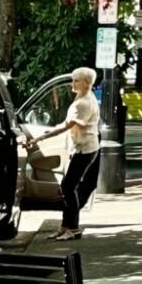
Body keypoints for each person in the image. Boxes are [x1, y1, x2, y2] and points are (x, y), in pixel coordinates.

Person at [23, 67, 102, 241]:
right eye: (73, 80)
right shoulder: (82, 97)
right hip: (83, 147)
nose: (73, 84)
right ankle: (65, 226)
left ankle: (72, 228)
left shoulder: (83, 103)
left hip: (85, 149)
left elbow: (67, 126)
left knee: (68, 187)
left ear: (87, 83)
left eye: (76, 81)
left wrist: (39, 139)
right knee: (68, 187)